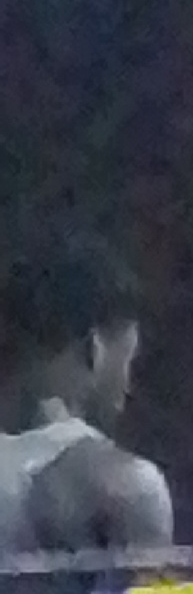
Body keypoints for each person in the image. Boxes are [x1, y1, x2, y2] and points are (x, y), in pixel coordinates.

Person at [0, 233, 172, 555]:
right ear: (92, 350)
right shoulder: (126, 488)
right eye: (128, 362)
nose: (128, 388)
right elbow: (150, 591)